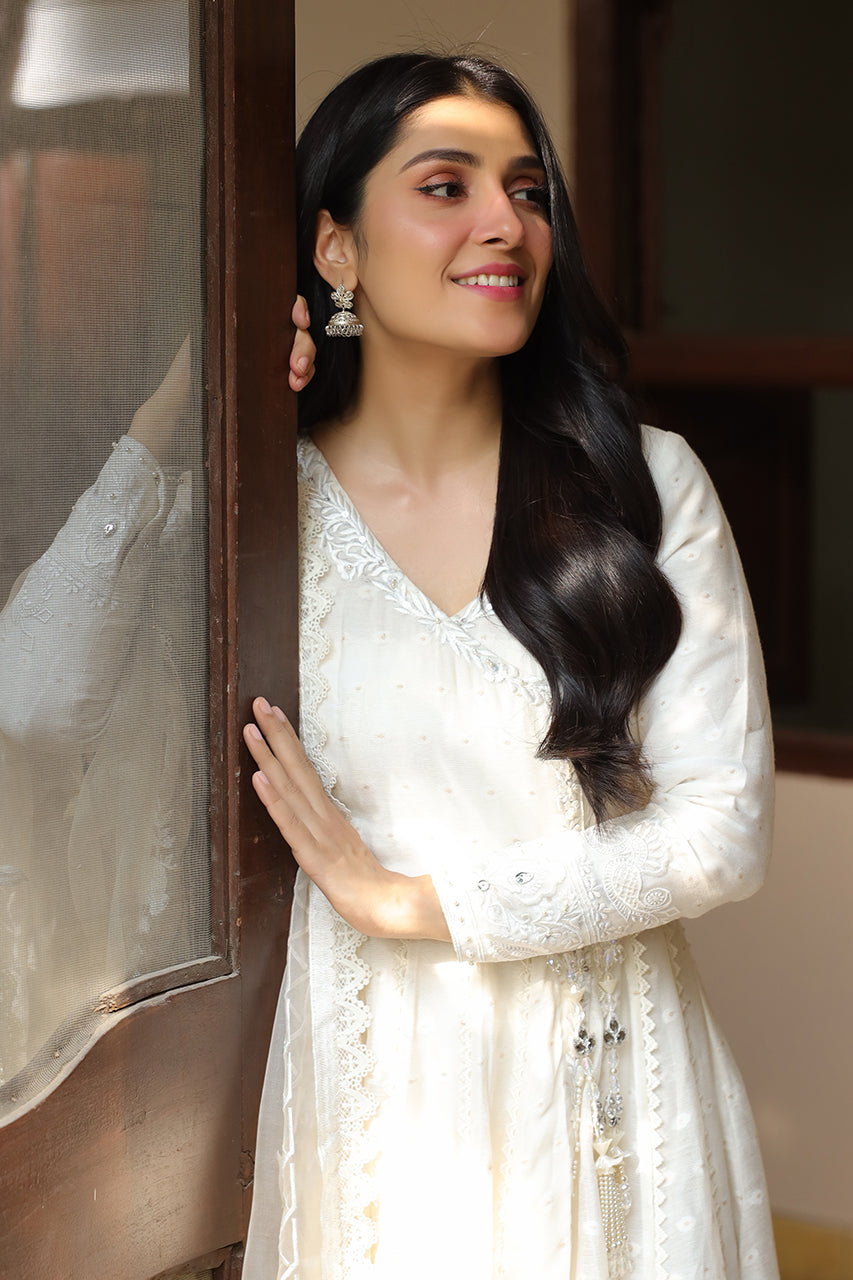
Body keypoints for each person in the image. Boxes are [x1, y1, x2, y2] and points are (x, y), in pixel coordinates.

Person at [240, 53, 779, 1280]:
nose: (506, 223)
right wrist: (195, 391)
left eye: (527, 191)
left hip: (613, 1100)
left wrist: (407, 900)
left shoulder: (644, 484)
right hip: (384, 1105)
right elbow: (44, 690)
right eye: (447, 186)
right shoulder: (260, 504)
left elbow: (720, 833)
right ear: (335, 249)